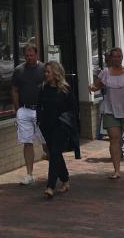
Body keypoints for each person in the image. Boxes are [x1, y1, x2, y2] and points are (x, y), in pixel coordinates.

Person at [89, 47, 124, 179]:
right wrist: (92, 87)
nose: (117, 58)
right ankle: (117, 170)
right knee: (114, 139)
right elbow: (97, 86)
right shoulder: (105, 73)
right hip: (110, 110)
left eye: (119, 56)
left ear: (122, 57)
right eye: (115, 56)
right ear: (110, 58)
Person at [37, 61, 77, 199]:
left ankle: (50, 186)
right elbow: (39, 106)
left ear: (55, 73)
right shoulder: (43, 88)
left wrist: (70, 125)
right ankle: (65, 179)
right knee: (56, 155)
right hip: (47, 126)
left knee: (54, 153)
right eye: (45, 72)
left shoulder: (65, 89)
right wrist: (39, 121)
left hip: (61, 126)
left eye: (48, 72)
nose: (46, 74)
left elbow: (72, 108)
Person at [11, 43, 45, 184]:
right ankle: (29, 174)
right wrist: (18, 109)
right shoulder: (19, 70)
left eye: (32, 55)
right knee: (27, 142)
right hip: (25, 110)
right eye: (27, 56)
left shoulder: (44, 69)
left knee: (46, 142)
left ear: (36, 55)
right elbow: (14, 90)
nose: (29, 58)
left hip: (40, 110)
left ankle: (55, 171)